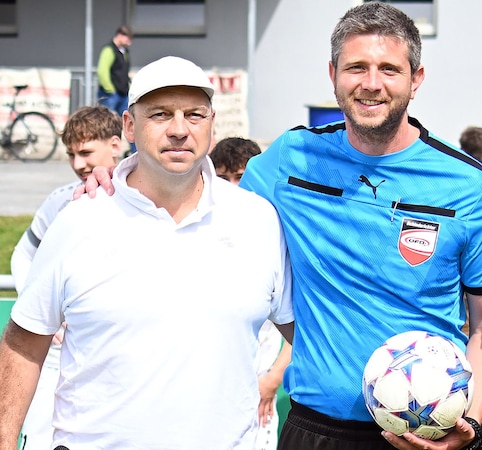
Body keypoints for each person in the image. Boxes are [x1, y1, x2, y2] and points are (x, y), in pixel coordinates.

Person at [238, 3, 482, 449]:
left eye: (389, 68)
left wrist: (474, 424)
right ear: (332, 74)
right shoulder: (290, 160)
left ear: (416, 79)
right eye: (356, 67)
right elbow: (206, 202)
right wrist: (112, 179)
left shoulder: (471, 188)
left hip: (428, 434)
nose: (371, 83)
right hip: (315, 429)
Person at [0, 56, 294, 449]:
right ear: (129, 126)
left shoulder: (258, 221)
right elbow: (23, 343)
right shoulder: (79, 221)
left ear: (211, 124)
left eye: (194, 115)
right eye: (160, 114)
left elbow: (308, 337)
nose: (179, 130)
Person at [9, 105, 123, 450]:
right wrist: (46, 314)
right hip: (60, 356)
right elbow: (22, 255)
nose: (78, 164)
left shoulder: (149, 198)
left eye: (86, 152)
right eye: (71, 154)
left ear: (116, 144)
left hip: (117, 356)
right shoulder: (60, 202)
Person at [209, 135, 290, 450]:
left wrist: (271, 381)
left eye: (240, 176)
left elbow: (300, 324)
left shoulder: (275, 231)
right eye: (222, 178)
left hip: (258, 390)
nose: (232, 186)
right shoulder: (197, 229)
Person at [96, 25, 132, 119]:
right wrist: (110, 89)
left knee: (125, 120)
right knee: (106, 120)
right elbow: (102, 71)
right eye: (127, 39)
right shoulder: (109, 50)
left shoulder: (125, 52)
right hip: (110, 94)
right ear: (120, 35)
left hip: (123, 93)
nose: (129, 43)